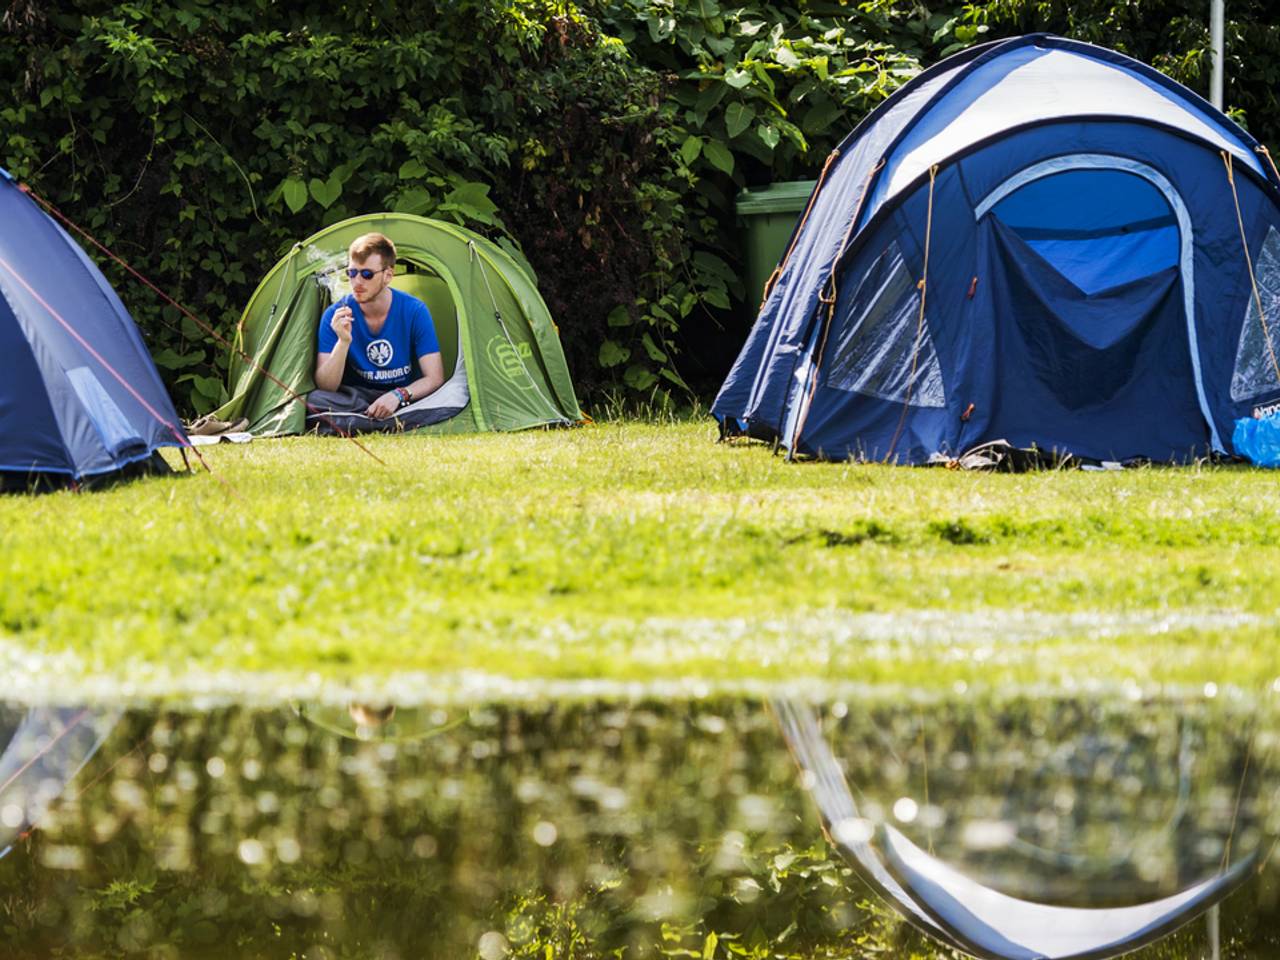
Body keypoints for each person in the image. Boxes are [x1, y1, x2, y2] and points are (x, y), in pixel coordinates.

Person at [310, 232, 446, 430]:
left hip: (404, 396)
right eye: (352, 273)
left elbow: (435, 378)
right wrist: (343, 342)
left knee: (447, 395)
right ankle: (386, 421)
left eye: (367, 274)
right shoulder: (335, 315)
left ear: (388, 275)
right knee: (315, 400)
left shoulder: (414, 310)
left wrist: (397, 396)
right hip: (358, 398)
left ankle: (360, 422)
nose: (357, 282)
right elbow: (326, 387)